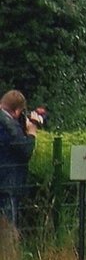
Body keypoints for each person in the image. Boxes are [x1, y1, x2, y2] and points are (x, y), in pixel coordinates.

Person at [0, 90, 39, 228]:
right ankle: (8, 250)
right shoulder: (9, 125)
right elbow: (25, 151)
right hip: (8, 184)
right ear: (17, 111)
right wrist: (32, 133)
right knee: (8, 230)